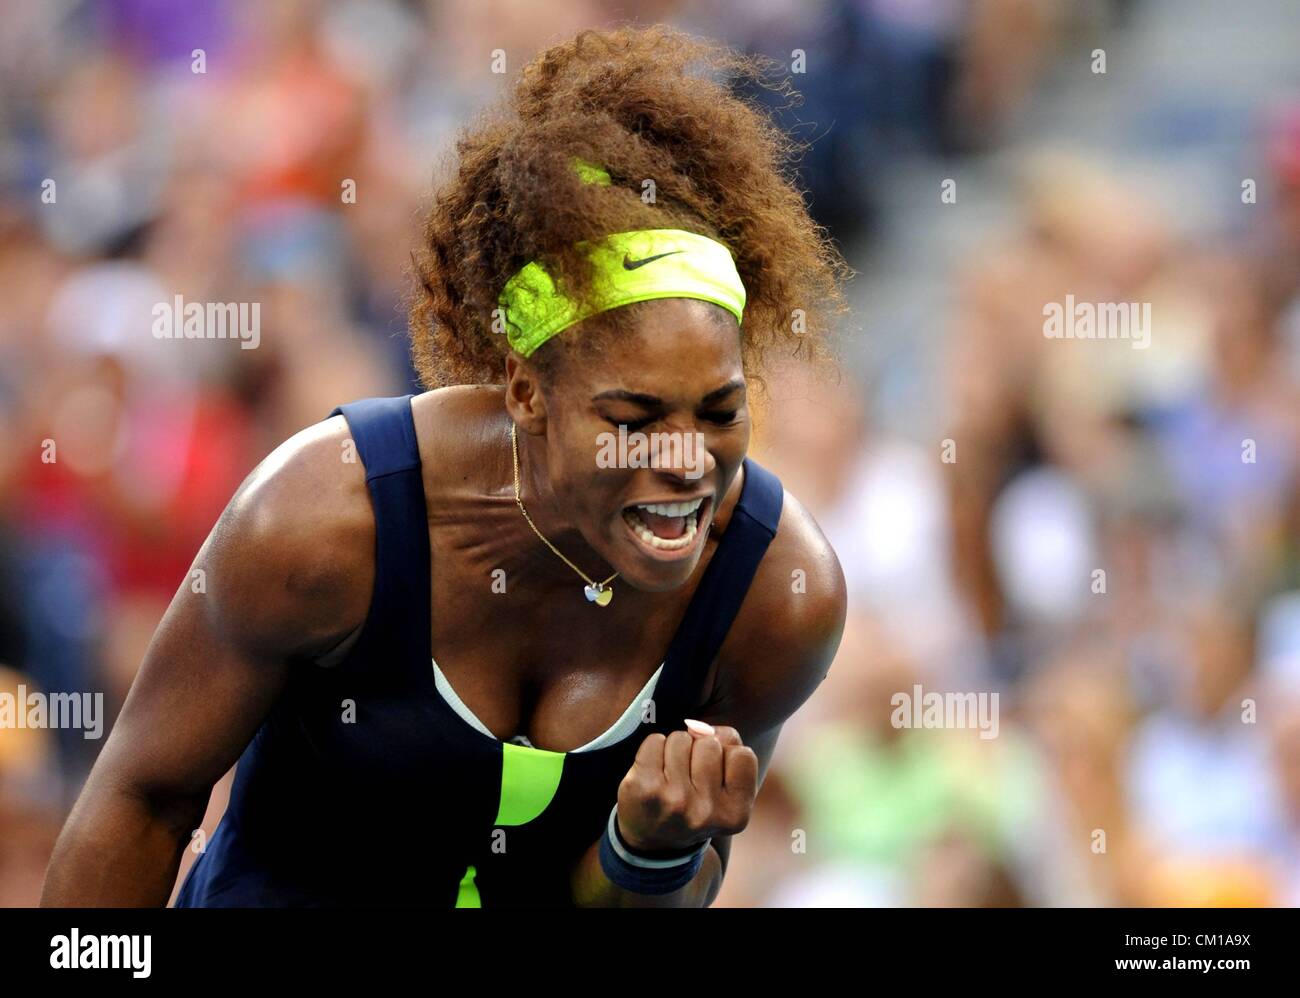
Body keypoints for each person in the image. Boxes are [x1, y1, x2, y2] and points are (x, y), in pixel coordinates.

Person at [41, 25, 851, 908]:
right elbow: (143, 803)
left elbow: (638, 902)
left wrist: (646, 852)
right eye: (634, 418)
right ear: (525, 390)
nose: (687, 460)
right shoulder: (320, 520)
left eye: (721, 412)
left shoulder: (777, 597)